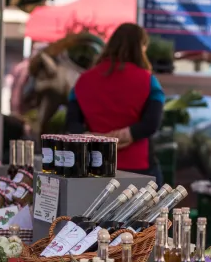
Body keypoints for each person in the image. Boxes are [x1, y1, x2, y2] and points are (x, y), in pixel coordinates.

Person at [65, 23, 165, 183]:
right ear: (141, 47)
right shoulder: (149, 81)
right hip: (139, 167)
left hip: (94, 164)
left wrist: (94, 138)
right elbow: (152, 123)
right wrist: (127, 134)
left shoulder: (82, 81)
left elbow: (72, 124)